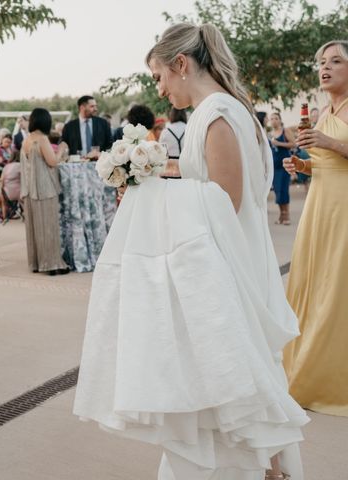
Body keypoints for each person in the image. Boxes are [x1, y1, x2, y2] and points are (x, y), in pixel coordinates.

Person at [74, 23, 308, 480]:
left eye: (160, 76)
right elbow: (210, 180)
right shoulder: (219, 110)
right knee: (244, 394)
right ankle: (270, 470)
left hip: (228, 266)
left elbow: (225, 198)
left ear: (182, 64)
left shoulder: (216, 113)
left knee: (231, 395)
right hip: (231, 258)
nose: (159, 90)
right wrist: (152, 171)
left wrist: (150, 195)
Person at [283, 40, 348, 417]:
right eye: (322, 62)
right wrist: (302, 167)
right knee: (315, 280)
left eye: (336, 61)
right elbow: (324, 163)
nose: (325, 68)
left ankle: (330, 376)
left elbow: (336, 151)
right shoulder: (325, 109)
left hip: (343, 206)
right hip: (319, 204)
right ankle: (307, 363)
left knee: (337, 285)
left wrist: (327, 141)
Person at [20, 108, 69, 275]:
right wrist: (61, 148)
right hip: (45, 189)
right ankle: (52, 264)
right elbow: (53, 162)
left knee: (35, 229)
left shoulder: (27, 140)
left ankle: (36, 263)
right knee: (48, 227)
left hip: (30, 191)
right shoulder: (42, 139)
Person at [268, 112, 296, 225]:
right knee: (278, 191)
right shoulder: (270, 134)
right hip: (275, 167)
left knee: (284, 190)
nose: (274, 120)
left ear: (280, 120)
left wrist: (278, 143)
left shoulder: (286, 131)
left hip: (285, 165)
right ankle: (281, 215)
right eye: (272, 119)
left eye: (276, 118)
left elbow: (293, 144)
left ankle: (286, 215)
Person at [159, 107, 187, 178]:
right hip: (187, 169)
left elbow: (161, 153)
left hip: (170, 171)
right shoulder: (189, 128)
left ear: (172, 115)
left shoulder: (165, 131)